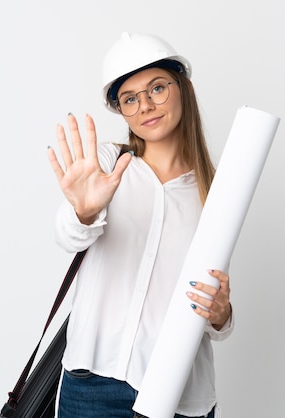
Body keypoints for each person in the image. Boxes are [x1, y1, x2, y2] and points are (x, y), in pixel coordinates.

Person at [47, 32, 234, 418]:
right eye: (130, 98)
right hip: (91, 387)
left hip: (179, 394)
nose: (146, 105)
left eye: (157, 88)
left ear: (182, 87)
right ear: (121, 110)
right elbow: (67, 234)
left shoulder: (215, 190)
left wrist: (222, 313)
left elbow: (215, 315)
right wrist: (83, 212)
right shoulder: (106, 163)